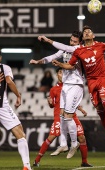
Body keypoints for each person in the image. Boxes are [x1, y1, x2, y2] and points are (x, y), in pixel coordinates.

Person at [39, 25, 105, 152]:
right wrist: (60, 64)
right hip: (91, 81)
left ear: (93, 36)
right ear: (83, 37)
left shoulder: (101, 45)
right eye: (85, 32)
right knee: (99, 109)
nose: (87, 32)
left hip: (103, 78)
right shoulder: (78, 51)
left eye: (89, 31)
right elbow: (70, 65)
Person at [30, 30, 84, 158]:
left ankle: (74, 143)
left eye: (75, 42)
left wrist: (48, 40)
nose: (72, 43)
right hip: (66, 84)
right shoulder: (65, 50)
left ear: (80, 43)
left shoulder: (80, 50)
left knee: (67, 116)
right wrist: (38, 62)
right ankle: (64, 144)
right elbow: (51, 57)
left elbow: (70, 66)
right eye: (71, 40)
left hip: (76, 84)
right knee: (62, 115)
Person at [33, 68, 92, 167]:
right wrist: (50, 103)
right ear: (57, 75)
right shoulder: (53, 89)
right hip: (59, 117)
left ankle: (84, 162)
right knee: (51, 137)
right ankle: (37, 160)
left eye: (64, 72)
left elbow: (73, 101)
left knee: (82, 137)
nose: (62, 74)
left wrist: (81, 109)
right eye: (60, 72)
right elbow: (52, 104)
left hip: (72, 116)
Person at [0, 47, 32, 170]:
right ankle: (27, 166)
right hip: (0, 104)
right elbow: (9, 82)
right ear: (0, 57)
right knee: (20, 134)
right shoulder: (4, 67)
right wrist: (18, 95)